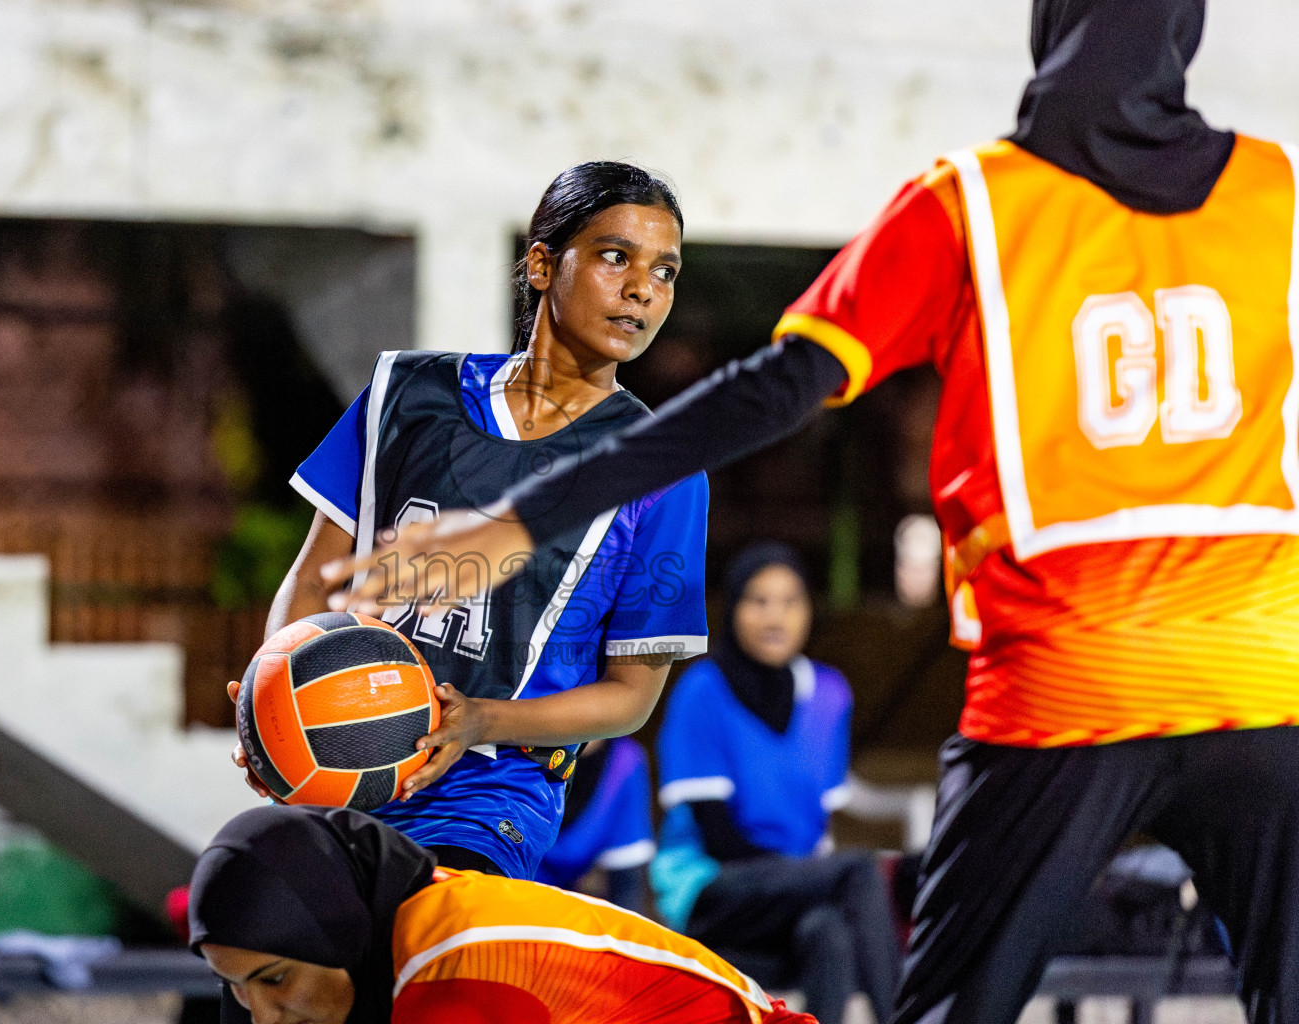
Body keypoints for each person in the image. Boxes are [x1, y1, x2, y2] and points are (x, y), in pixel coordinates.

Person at [331, 2, 1299, 1021]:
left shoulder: (972, 199)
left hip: (1068, 682)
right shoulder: (1273, 189)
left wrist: (524, 516)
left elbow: (772, 389)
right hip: (1266, 679)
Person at [232, 161, 710, 880]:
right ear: (544, 264)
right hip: (343, 755)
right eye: (616, 258)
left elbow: (631, 697)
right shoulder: (407, 392)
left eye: (666, 271)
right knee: (248, 933)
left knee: (422, 941)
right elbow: (312, 583)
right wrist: (274, 709)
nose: (643, 288)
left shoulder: (662, 470)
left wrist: (482, 719)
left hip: (488, 794)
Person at [188, 804, 811, 1024]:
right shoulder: (397, 909)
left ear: (337, 933)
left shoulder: (454, 965)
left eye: (273, 980)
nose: (262, 1017)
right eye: (235, 989)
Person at [652, 543, 898, 1024]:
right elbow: (719, 838)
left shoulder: (829, 694)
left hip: (789, 891)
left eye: (790, 601)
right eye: (758, 600)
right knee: (856, 872)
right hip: (709, 888)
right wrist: (811, 879)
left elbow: (816, 828)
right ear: (733, 607)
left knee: (830, 932)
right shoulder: (703, 689)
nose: (775, 617)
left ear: (809, 611)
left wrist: (808, 882)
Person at [533, 735, 656, 913]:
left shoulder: (624, 760)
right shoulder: (509, 752)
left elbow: (627, 885)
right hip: (496, 896)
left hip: (562, 914)